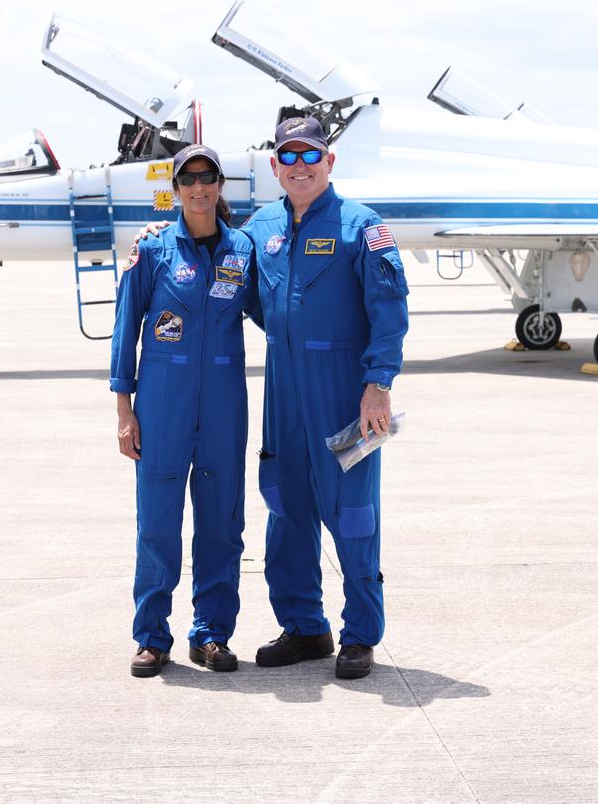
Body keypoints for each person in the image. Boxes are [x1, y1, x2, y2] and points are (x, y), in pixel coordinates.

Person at [245, 116, 410, 679]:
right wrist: (156, 238)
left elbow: (389, 313)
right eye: (287, 157)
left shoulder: (361, 227)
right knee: (286, 508)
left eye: (309, 156)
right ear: (274, 166)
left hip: (345, 392)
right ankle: (305, 627)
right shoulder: (260, 226)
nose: (299, 167)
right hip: (282, 392)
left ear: (330, 162)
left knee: (353, 513)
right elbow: (225, 278)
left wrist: (378, 385)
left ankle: (360, 634)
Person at [110, 144, 258, 678]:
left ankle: (211, 635)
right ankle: (152, 636)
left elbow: (280, 309)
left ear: (220, 185)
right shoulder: (151, 252)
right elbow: (126, 332)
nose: (198, 188)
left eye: (208, 178)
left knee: (222, 522)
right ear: (175, 189)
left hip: (223, 404)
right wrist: (125, 411)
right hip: (162, 403)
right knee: (157, 524)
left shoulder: (243, 250)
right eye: (188, 179)